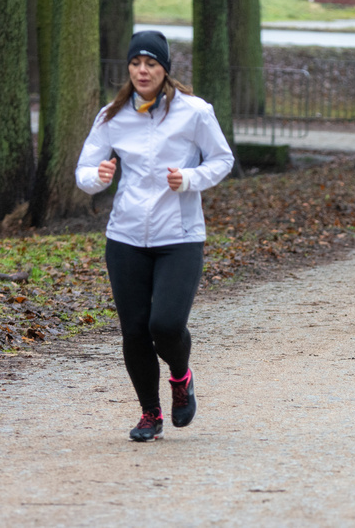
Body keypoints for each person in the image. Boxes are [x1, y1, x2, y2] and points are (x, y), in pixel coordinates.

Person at [76, 31, 235, 441]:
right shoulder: (112, 116)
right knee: (134, 331)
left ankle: (181, 378)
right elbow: (84, 172)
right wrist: (99, 176)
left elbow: (222, 159)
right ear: (128, 69)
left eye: (151, 64)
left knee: (164, 324)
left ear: (165, 70)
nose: (142, 70)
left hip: (179, 235)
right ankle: (150, 413)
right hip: (125, 236)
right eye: (135, 64)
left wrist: (191, 179)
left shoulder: (194, 112)